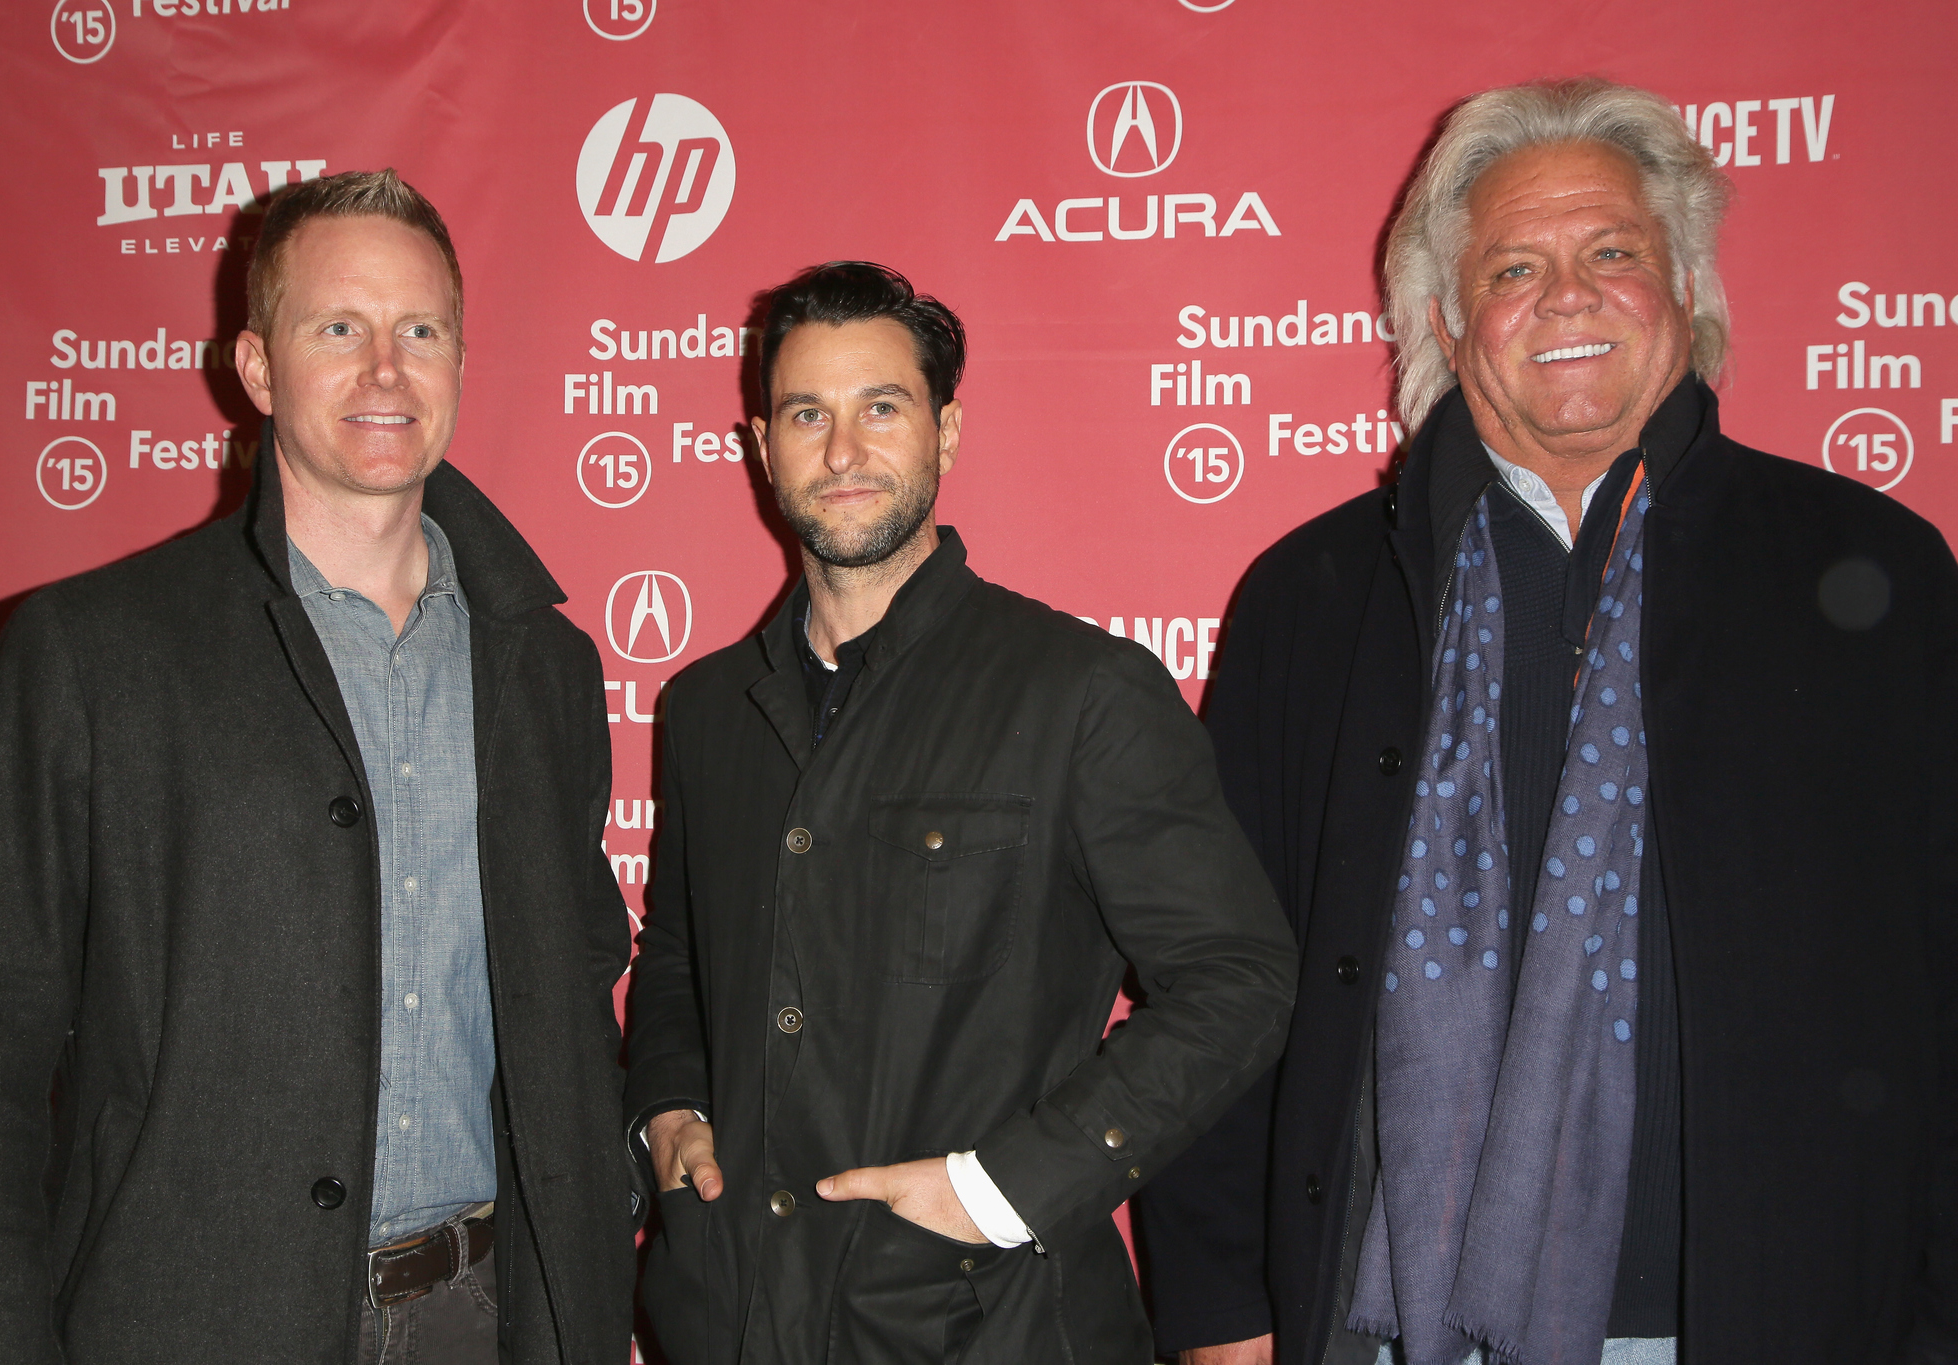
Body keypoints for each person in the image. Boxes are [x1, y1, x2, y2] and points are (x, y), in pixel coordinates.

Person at [1138, 77, 1958, 1365]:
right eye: (1514, 265)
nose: (1567, 294)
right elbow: (1221, 974)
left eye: (1613, 253)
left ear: (1683, 291)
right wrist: (1217, 1295)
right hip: (1387, 1319)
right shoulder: (1314, 597)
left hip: (1772, 1315)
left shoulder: (1868, 574)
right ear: (1449, 320)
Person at [0, 169, 638, 1363]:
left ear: (460, 358)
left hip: (481, 1316)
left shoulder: (544, 664)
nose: (384, 370)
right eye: (336, 329)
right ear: (255, 368)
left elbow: (571, 1001)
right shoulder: (92, 652)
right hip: (188, 1322)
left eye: (419, 331)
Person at [622, 261, 1299, 1364]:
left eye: (880, 408)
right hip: (726, 1314)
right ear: (759, 446)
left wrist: (1007, 1189)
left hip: (988, 1323)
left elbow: (1238, 979)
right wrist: (667, 1108)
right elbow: (679, 959)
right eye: (807, 414)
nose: (843, 452)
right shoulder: (704, 709)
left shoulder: (1078, 690)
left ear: (944, 433)